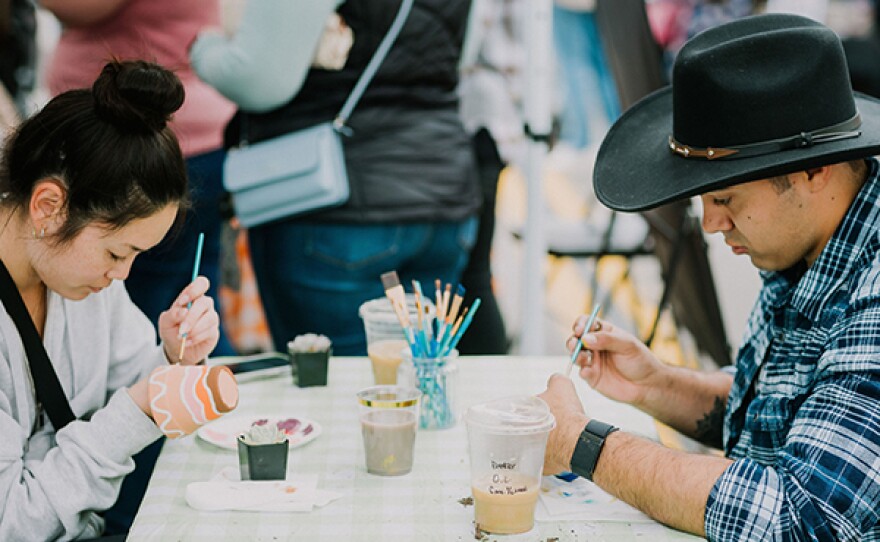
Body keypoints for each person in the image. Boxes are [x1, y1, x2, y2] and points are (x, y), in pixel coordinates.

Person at [538, 13, 880, 539]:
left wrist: (584, 443)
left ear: (815, 171)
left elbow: (799, 517)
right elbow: (791, 416)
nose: (713, 224)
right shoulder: (809, 237)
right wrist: (659, 384)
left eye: (725, 198)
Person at [0, 59, 220, 541]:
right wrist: (140, 411)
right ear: (48, 207)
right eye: (117, 252)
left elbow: (133, 383)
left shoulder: (82, 282)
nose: (122, 275)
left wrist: (171, 357)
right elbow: (11, 522)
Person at [190, 0, 480, 355]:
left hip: (333, 208)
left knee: (334, 389)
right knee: (417, 377)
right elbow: (459, 58)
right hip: (442, 196)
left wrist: (203, 47)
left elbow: (257, 79)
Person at [41, 0, 237, 357]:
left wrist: (165, 362)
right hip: (200, 135)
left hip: (147, 150)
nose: (122, 273)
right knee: (182, 299)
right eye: (118, 254)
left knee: (161, 309)